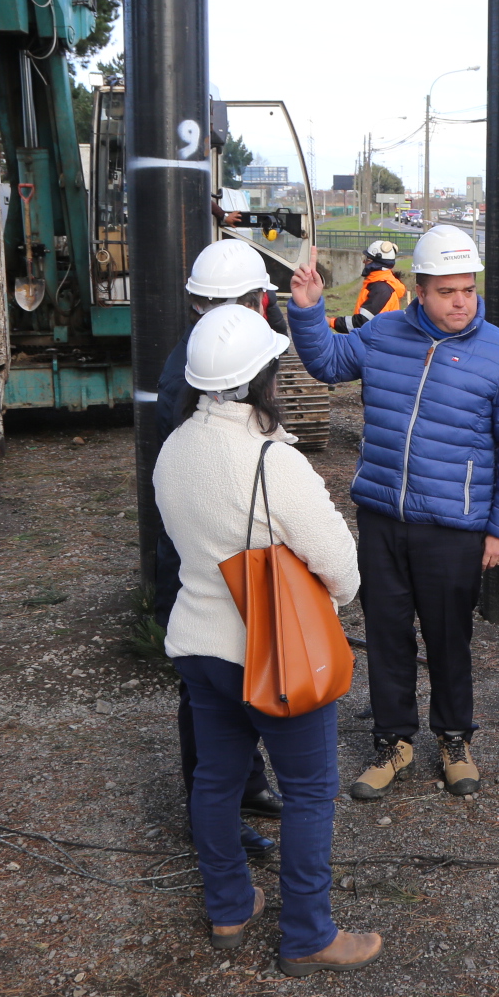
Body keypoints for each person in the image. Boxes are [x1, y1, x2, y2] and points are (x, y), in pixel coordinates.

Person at [154, 303, 380, 975]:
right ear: (261, 378)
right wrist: (338, 595)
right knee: (310, 789)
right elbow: (340, 567)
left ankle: (229, 905)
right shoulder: (269, 461)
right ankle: (309, 932)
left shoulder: (173, 449)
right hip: (275, 653)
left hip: (199, 645)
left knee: (216, 778)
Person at [286, 224, 499, 800]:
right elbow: (327, 363)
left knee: (449, 638)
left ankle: (455, 739)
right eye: (447, 291)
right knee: (387, 635)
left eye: (468, 290)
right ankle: (392, 742)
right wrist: (307, 309)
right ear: (419, 291)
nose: (460, 302)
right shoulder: (383, 334)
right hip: (382, 516)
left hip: (454, 526)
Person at [155, 238, 290, 851]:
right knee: (210, 690)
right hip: (209, 554)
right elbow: (217, 472)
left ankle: (243, 784)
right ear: (256, 299)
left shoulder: (213, 353)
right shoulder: (197, 372)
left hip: (216, 547)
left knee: (238, 673)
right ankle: (213, 805)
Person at [328, 240, 407, 333]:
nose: (364, 261)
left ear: (376, 262)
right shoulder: (378, 284)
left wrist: (331, 322)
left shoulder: (381, 289)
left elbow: (361, 323)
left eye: (368, 259)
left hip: (376, 344)